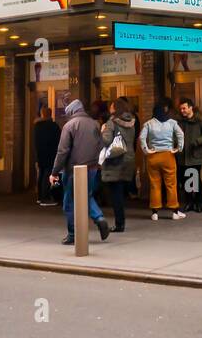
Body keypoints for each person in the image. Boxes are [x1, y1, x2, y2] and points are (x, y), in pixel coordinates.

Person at [50, 98, 110, 246]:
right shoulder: (94, 124)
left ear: (71, 112)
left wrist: (54, 172)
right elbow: (101, 145)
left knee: (69, 202)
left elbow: (62, 151)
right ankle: (99, 218)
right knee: (86, 196)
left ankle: (72, 234)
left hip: (74, 170)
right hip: (92, 168)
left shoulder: (69, 126)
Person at [140, 100, 185, 221]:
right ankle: (175, 211)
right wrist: (178, 148)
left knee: (155, 184)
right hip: (168, 155)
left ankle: (155, 212)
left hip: (153, 156)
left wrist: (146, 150)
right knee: (171, 184)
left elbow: (142, 137)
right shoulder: (172, 123)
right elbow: (180, 134)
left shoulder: (148, 124)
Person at [99, 97, 138, 233]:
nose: (110, 108)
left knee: (115, 194)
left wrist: (102, 130)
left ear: (115, 108)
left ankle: (119, 223)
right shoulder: (132, 122)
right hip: (128, 159)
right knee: (120, 192)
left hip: (115, 160)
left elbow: (106, 140)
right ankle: (120, 222)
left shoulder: (111, 123)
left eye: (111, 106)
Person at [177, 97, 202, 213]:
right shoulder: (179, 121)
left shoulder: (199, 120)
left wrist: (197, 141)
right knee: (186, 179)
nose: (182, 111)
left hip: (194, 154)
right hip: (183, 156)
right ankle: (189, 202)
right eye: (181, 109)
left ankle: (197, 202)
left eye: (184, 108)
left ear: (190, 107)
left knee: (195, 179)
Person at [32, 106, 61, 206]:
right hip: (51, 154)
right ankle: (46, 197)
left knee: (41, 174)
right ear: (50, 114)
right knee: (48, 175)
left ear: (42, 114)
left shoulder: (37, 126)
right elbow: (58, 141)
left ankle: (40, 197)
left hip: (40, 154)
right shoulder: (54, 126)